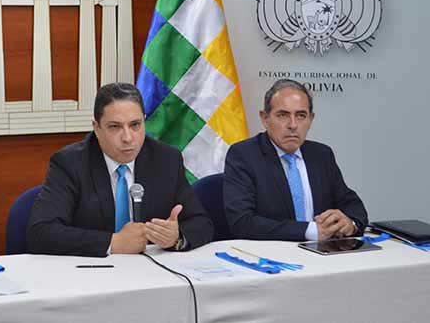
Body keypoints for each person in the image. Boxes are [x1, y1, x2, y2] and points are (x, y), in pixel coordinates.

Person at [26, 83, 214, 256]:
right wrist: (112, 242)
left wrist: (176, 237)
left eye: (135, 125)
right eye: (115, 127)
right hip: (93, 272)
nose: (127, 138)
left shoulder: (166, 159)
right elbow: (41, 232)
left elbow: (201, 223)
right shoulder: (70, 163)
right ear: (96, 128)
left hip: (151, 273)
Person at [224, 79, 368, 241]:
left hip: (324, 252)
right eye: (282, 115)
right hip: (272, 253)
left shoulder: (321, 155)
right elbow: (242, 223)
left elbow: (353, 206)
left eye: (301, 116)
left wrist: (349, 223)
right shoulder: (244, 155)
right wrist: (310, 231)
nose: (293, 125)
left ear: (311, 119)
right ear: (265, 118)